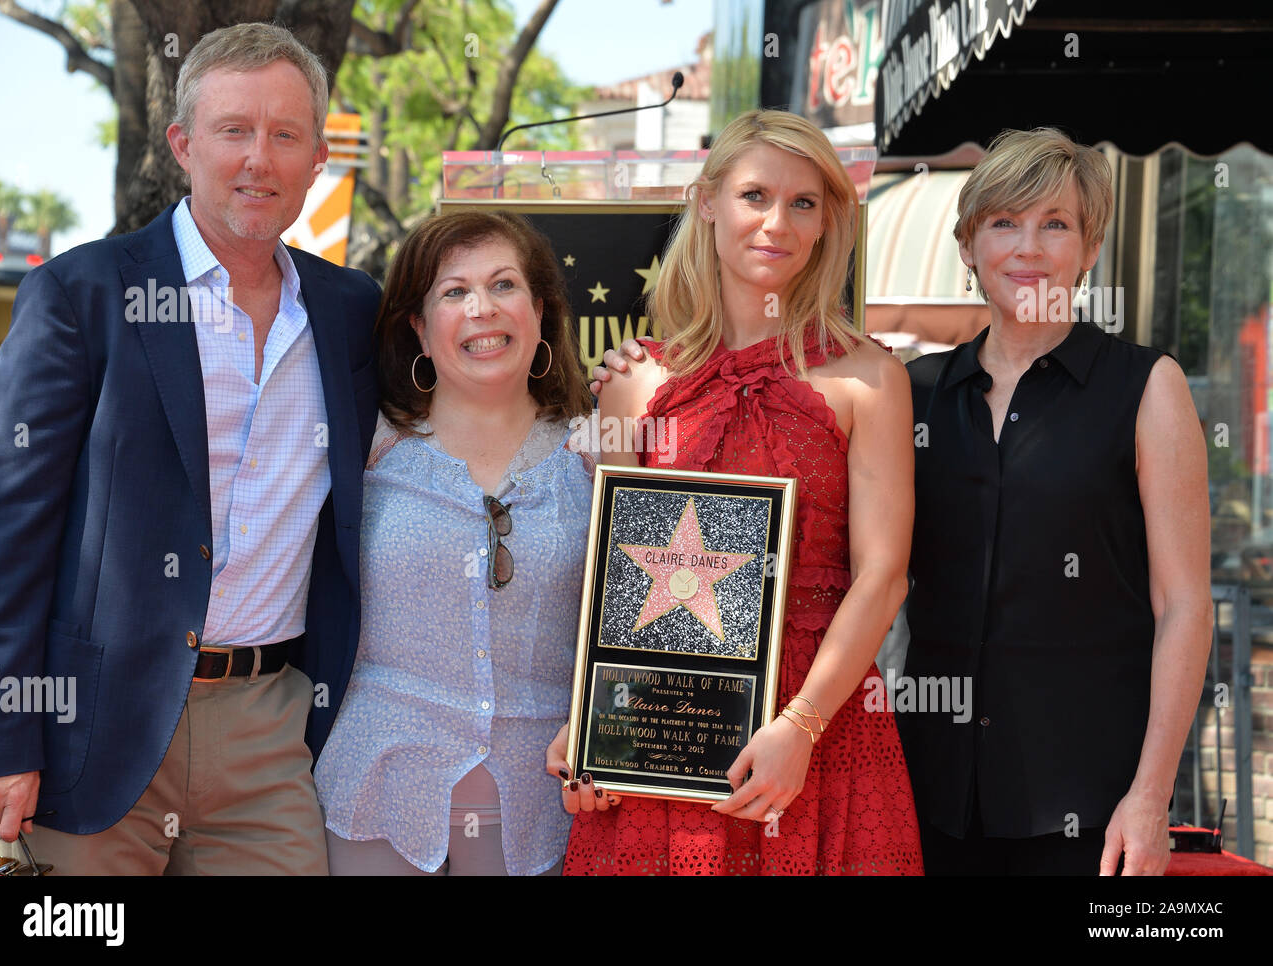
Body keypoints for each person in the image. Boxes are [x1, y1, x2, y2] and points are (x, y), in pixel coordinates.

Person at [0, 23, 381, 874]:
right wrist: (0, 733)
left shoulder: (351, 313)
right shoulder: (82, 295)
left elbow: (464, 392)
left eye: (285, 135)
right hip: (92, 728)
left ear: (317, 158)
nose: (258, 160)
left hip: (271, 735)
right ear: (183, 143)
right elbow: (6, 532)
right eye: (234, 130)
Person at [556, 109, 924, 875]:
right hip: (667, 721)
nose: (777, 222)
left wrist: (800, 725)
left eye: (804, 203)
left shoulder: (871, 378)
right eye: (756, 194)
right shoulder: (632, 383)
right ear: (709, 202)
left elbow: (883, 574)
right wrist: (588, 722)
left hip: (822, 720)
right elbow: (612, 581)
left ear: (827, 224)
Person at [898, 128, 1211, 875]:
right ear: (969, 247)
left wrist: (1150, 796)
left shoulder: (1146, 387)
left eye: (1056, 224)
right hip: (926, 795)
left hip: (1091, 810)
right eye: (1004, 222)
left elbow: (1185, 606)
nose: (1028, 248)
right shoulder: (911, 392)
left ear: (1090, 246)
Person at [314, 210, 598, 876]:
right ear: (417, 324)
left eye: (503, 285)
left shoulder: (598, 449)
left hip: (545, 809)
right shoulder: (366, 445)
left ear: (541, 311)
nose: (481, 309)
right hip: (374, 798)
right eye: (453, 291)